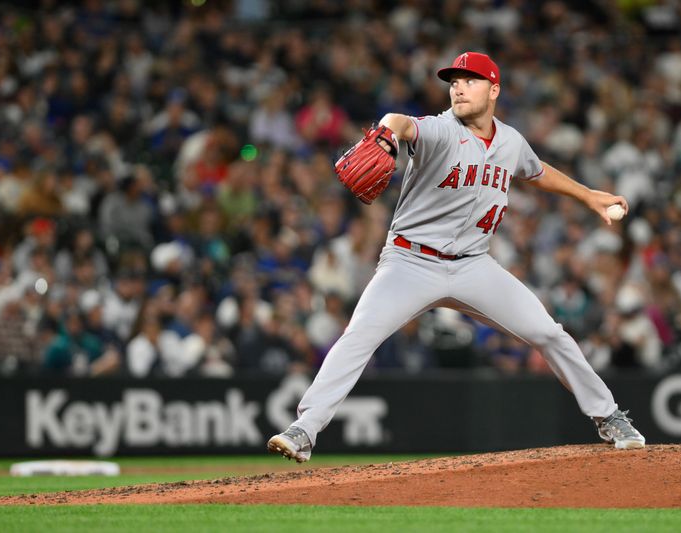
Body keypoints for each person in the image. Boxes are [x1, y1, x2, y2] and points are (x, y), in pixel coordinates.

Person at [267, 52, 645, 463]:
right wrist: (387, 133)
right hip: (410, 262)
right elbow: (400, 120)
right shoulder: (441, 131)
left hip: (472, 265)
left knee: (549, 333)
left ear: (494, 89)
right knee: (360, 335)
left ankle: (609, 415)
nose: (459, 87)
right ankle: (305, 428)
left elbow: (536, 171)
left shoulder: (510, 142)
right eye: (454, 81)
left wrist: (588, 195)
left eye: (470, 80)